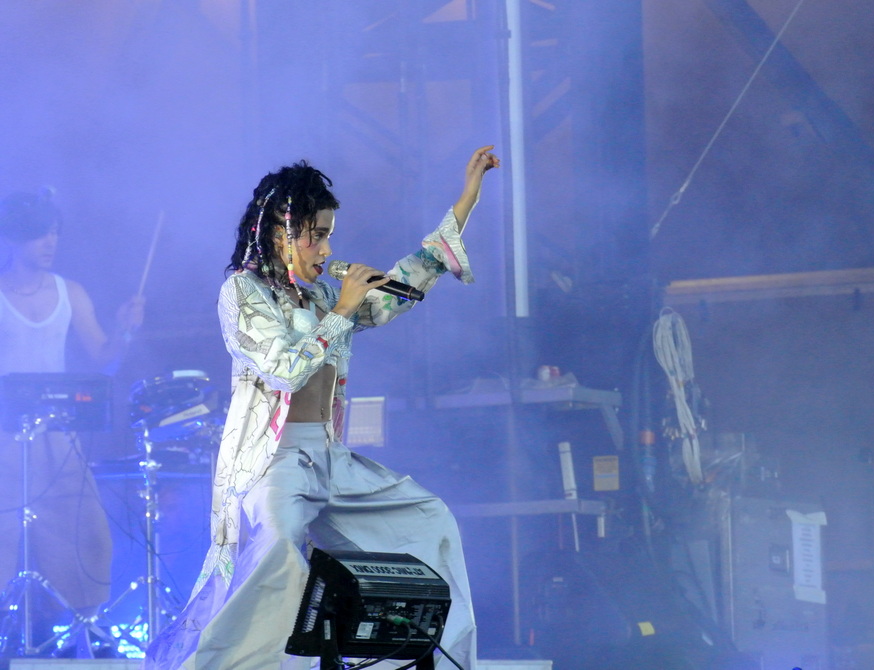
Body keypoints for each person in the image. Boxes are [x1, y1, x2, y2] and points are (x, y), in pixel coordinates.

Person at [142, 145, 500, 670]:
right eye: (317, 233)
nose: (327, 247)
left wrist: (465, 201)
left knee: (430, 520)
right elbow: (284, 369)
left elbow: (395, 294)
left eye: (330, 233)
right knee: (278, 558)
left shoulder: (320, 296)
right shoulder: (242, 292)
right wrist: (342, 310)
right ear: (280, 233)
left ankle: (427, 662)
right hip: (274, 460)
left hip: (329, 459)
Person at [0, 189, 144, 655]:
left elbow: (104, 361)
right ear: (15, 238)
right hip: (3, 437)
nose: (50, 242)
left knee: (86, 533)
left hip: (57, 438)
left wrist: (124, 330)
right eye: (41, 233)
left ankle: (89, 634)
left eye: (55, 233)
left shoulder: (70, 292)